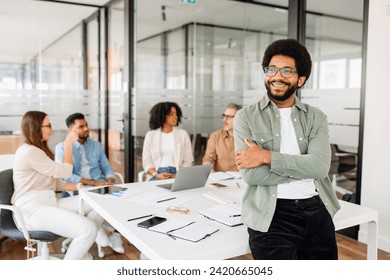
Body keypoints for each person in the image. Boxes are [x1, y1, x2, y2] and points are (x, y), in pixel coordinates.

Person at [234, 39, 341, 260]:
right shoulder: (246, 117)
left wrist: (265, 156)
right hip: (271, 215)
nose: (277, 76)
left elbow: (320, 168)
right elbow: (251, 174)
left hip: (316, 210)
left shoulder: (316, 117)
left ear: (301, 79)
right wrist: (303, 168)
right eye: (271, 69)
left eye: (287, 71)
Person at [12, 111, 99, 260]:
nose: (51, 129)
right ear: (36, 127)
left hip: (48, 202)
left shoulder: (37, 150)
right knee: (88, 230)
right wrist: (68, 144)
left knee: (97, 203)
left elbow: (53, 182)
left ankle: (79, 249)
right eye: (49, 125)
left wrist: (78, 187)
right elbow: (64, 172)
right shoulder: (29, 152)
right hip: (31, 210)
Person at [55, 112, 124, 254]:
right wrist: (92, 183)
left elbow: (106, 166)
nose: (86, 128)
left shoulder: (96, 145)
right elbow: (65, 176)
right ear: (71, 130)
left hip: (100, 185)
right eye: (81, 126)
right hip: (77, 189)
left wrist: (110, 179)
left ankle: (103, 233)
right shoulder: (62, 147)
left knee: (119, 196)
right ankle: (110, 234)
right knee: (100, 201)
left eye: (86, 125)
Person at [142, 102, 193, 180]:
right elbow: (146, 161)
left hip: (177, 173)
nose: (175, 117)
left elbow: (188, 160)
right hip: (157, 173)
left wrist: (176, 175)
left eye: (176, 114)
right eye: (171, 114)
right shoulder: (151, 135)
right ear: (162, 116)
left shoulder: (183, 134)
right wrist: (156, 174)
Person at [202, 103, 241, 172]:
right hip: (219, 179)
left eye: (229, 117)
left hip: (239, 180)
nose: (224, 120)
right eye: (224, 116)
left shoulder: (246, 138)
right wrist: (211, 172)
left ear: (239, 119)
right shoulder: (215, 136)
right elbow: (208, 159)